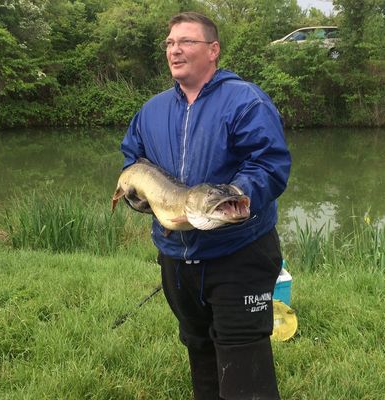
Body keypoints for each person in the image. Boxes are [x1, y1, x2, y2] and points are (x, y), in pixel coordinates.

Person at [120, 11, 291, 400]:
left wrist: (232, 195)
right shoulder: (152, 110)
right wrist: (137, 197)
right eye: (170, 43)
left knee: (244, 368)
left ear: (213, 50)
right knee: (199, 350)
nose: (175, 50)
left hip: (239, 254)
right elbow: (133, 161)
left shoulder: (245, 101)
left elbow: (270, 164)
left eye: (186, 42)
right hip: (176, 258)